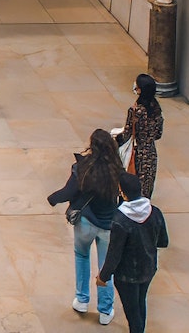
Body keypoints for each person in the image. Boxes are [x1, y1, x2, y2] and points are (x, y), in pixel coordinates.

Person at [47, 129, 126, 325]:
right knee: (105, 267)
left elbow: (68, 191)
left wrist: (53, 198)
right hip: (109, 226)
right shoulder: (118, 170)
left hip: (86, 222)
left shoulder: (83, 168)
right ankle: (106, 311)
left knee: (81, 256)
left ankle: (82, 300)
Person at [97, 172, 170, 333]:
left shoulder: (120, 219)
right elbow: (163, 241)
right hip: (148, 269)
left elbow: (114, 253)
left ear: (123, 193)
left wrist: (103, 276)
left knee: (132, 313)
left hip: (126, 276)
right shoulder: (155, 212)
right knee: (140, 303)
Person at [115, 73, 164, 197]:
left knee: (134, 187)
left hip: (137, 153)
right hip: (151, 153)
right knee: (147, 187)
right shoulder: (156, 108)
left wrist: (116, 138)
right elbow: (158, 134)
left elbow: (127, 133)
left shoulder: (135, 111)